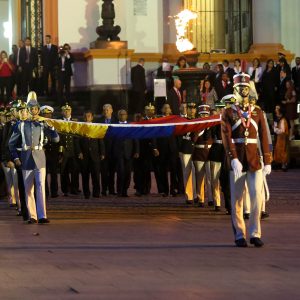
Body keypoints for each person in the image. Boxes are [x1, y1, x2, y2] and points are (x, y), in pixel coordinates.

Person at [222, 73, 272, 247]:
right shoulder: (228, 112)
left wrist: (268, 159)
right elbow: (227, 137)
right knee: (237, 199)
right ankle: (239, 234)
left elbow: (264, 136)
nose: (243, 91)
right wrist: (233, 158)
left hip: (254, 159)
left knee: (257, 197)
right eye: (239, 88)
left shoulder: (258, 111)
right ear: (234, 90)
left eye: (245, 87)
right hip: (237, 160)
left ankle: (255, 233)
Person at [9, 92, 60, 224]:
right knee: (28, 189)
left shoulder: (43, 124)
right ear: (28, 110)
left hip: (40, 158)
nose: (34, 111)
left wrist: (52, 128)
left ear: (38, 110)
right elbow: (11, 143)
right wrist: (15, 158)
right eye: (31, 109)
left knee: (41, 186)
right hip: (26, 158)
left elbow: (55, 139)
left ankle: (42, 215)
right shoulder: (20, 125)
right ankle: (32, 215)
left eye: (36, 109)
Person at [78, 111, 105, 199]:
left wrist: (102, 153)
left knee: (96, 176)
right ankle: (86, 193)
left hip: (95, 155)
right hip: (84, 156)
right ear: (83, 117)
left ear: (92, 117)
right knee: (85, 176)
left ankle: (96, 193)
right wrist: (79, 152)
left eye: (89, 116)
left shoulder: (96, 127)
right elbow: (77, 142)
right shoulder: (80, 128)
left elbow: (100, 141)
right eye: (85, 116)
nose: (87, 118)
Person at [113, 109, 139, 197]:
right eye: (120, 114)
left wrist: (136, 151)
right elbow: (112, 140)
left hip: (129, 152)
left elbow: (135, 139)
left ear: (127, 115)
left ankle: (125, 191)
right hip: (118, 152)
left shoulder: (131, 125)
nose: (122, 116)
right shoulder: (114, 125)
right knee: (120, 172)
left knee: (128, 173)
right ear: (118, 116)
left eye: (124, 114)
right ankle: (119, 191)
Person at [192, 105, 213, 207]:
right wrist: (199, 130)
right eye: (202, 114)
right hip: (199, 153)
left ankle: (210, 198)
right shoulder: (196, 126)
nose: (204, 116)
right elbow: (193, 140)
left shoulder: (212, 125)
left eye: (206, 114)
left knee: (210, 177)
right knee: (200, 177)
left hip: (209, 153)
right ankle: (201, 199)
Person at [156, 104, 179, 197]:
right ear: (162, 110)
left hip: (173, 148)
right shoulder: (158, 120)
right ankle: (165, 190)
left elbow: (178, 133)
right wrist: (155, 147)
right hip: (162, 148)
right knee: (163, 170)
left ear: (170, 110)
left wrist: (178, 147)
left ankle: (173, 189)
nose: (166, 109)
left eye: (168, 107)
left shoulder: (174, 119)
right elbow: (155, 134)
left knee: (174, 169)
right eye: (164, 107)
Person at [58, 103, 80, 196]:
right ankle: (65, 190)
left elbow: (77, 138)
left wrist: (79, 151)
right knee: (63, 171)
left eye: (68, 110)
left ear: (71, 111)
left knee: (75, 171)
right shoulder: (58, 122)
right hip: (63, 151)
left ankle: (74, 188)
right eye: (65, 110)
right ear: (62, 112)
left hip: (73, 150)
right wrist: (60, 152)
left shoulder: (75, 121)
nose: (67, 112)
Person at [178, 102, 197, 204]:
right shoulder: (183, 121)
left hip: (196, 149)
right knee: (187, 173)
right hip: (185, 149)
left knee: (196, 174)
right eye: (189, 108)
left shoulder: (199, 120)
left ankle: (196, 195)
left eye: (193, 109)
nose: (191, 110)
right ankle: (189, 196)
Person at [40, 105, 59, 198]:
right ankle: (45, 192)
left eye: (49, 114)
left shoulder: (55, 123)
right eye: (45, 114)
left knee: (54, 173)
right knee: (44, 174)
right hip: (44, 152)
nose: (47, 116)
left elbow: (59, 139)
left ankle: (54, 192)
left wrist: (60, 152)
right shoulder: (39, 124)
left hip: (54, 152)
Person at [99, 104, 118, 195]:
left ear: (111, 110)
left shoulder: (116, 121)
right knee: (103, 172)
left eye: (107, 110)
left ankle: (111, 189)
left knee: (112, 172)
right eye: (104, 110)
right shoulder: (98, 121)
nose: (106, 111)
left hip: (113, 150)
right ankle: (104, 189)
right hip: (103, 151)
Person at [273, 106, 289, 171]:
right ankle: (279, 164)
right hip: (278, 137)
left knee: (282, 150)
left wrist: (276, 129)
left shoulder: (283, 120)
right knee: (277, 150)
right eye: (275, 108)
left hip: (282, 137)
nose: (275, 110)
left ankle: (283, 165)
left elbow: (282, 130)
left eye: (277, 108)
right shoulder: (277, 119)